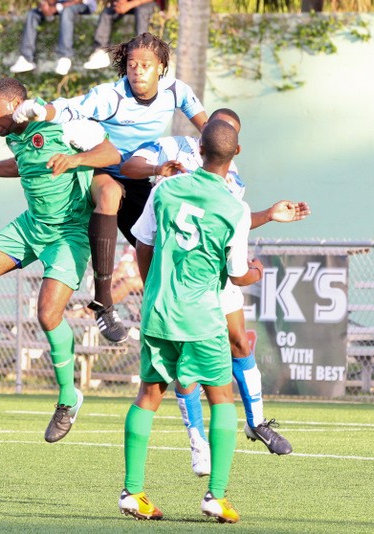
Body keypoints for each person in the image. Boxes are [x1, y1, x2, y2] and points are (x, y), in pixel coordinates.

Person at [121, 108, 310, 469]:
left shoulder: (232, 182)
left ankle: (257, 423)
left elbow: (234, 221)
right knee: (192, 370)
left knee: (239, 342)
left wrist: (268, 214)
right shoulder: (174, 153)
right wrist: (156, 168)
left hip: (214, 276)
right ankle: (198, 442)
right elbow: (129, 167)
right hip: (185, 280)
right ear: (206, 134)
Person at [0, 78, 120, 443]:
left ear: (16, 104)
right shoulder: (14, 137)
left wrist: (76, 159)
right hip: (31, 225)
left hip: (69, 232)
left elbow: (111, 154)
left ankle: (68, 398)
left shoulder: (63, 123)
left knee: (48, 314)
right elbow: (22, 165)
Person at [12, 32, 207, 344]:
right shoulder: (111, 96)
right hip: (100, 168)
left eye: (145, 65)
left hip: (139, 176)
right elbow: (69, 107)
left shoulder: (176, 91)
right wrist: (40, 110)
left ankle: (169, 310)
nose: (137, 71)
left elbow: (209, 129)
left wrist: (223, 146)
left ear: (161, 67)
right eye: (132, 64)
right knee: (110, 194)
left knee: (159, 245)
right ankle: (103, 301)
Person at [119, 119, 258, 523]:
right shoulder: (235, 208)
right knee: (221, 398)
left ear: (199, 149)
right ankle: (216, 495)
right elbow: (237, 275)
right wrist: (256, 272)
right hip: (201, 317)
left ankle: (132, 491)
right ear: (236, 154)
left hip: (159, 310)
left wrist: (153, 288)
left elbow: (143, 243)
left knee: (148, 394)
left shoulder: (165, 189)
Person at [9, 0, 98, 76]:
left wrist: (58, 7)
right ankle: (26, 58)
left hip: (82, 4)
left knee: (66, 11)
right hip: (58, 6)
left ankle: (65, 57)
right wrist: (45, 5)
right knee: (33, 13)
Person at [83, 0, 159, 70]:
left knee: (142, 10)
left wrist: (129, 5)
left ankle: (142, 50)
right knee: (108, 11)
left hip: (146, 3)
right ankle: (101, 52)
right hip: (126, 4)